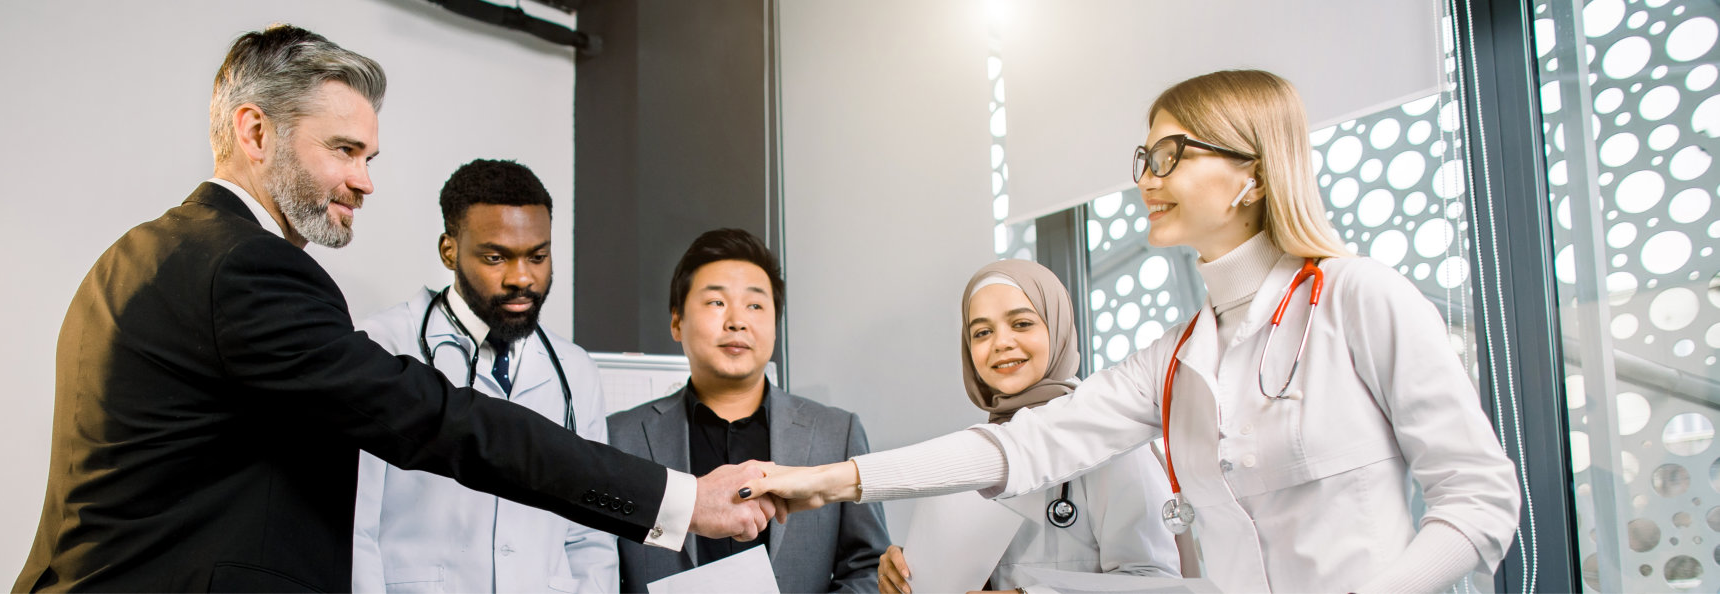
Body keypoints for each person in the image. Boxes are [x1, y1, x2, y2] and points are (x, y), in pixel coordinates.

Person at [14, 25, 772, 593]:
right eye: (343, 151)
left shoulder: (137, 255)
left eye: (368, 158)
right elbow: (438, 420)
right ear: (254, 131)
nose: (364, 181)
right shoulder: (248, 268)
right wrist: (678, 496)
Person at [743, 70, 1521, 593]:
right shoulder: (1177, 358)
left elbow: (1480, 499)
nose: (1147, 177)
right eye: (1146, 155)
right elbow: (1023, 445)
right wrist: (830, 480)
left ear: (1250, 172)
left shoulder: (1359, 298)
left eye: (1173, 154)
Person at [349, 159, 615, 593]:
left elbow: (590, 537)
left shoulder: (575, 370)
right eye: (496, 257)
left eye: (538, 256)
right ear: (449, 250)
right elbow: (355, 524)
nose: (522, 278)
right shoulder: (383, 345)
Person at [609, 229, 889, 593]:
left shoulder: (836, 433)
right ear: (677, 322)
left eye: (755, 305)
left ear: (774, 326)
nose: (737, 321)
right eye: (716, 303)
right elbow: (595, 566)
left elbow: (869, 567)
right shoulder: (620, 437)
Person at [877, 260, 1179, 594]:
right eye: (982, 332)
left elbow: (1155, 582)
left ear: (1057, 328)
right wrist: (911, 570)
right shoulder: (979, 452)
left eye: (1021, 323)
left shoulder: (1110, 443)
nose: (1001, 343)